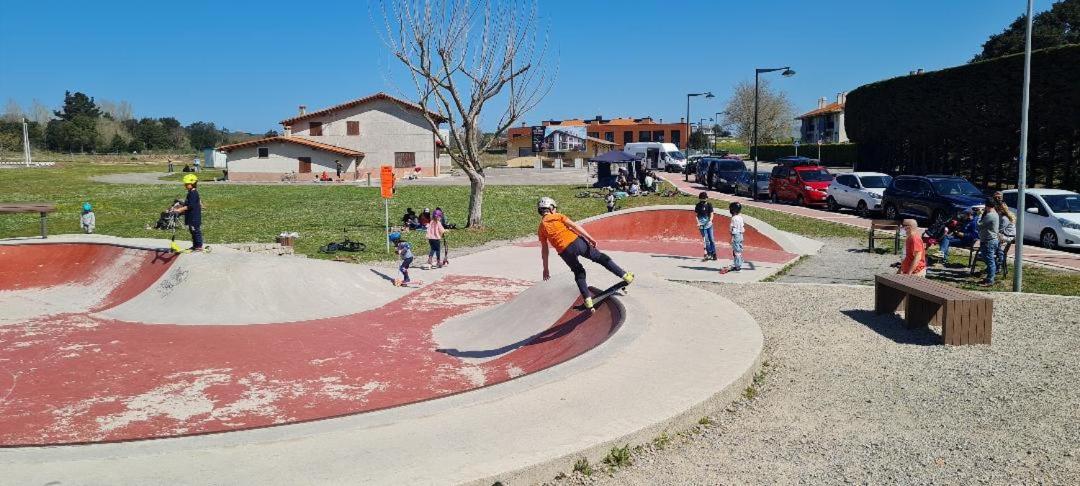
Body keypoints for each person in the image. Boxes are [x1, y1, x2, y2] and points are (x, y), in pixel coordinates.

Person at [537, 197, 633, 311]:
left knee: (579, 272)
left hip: (564, 252)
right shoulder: (558, 216)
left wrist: (546, 268)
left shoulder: (541, 228)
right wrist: (590, 238)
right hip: (576, 242)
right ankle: (625, 275)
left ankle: (587, 299)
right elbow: (575, 226)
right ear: (552, 208)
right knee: (600, 257)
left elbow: (544, 249)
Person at [174, 173, 204, 251]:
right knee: (192, 231)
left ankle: (199, 246)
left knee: (195, 231)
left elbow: (191, 206)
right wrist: (180, 204)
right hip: (191, 216)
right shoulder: (191, 192)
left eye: (187, 184)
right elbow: (192, 202)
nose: (185, 185)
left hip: (194, 216)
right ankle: (195, 245)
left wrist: (180, 210)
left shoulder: (193, 193)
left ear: (192, 184)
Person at [977, 200, 1001, 286]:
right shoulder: (995, 214)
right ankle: (989, 276)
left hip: (989, 241)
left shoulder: (990, 215)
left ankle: (990, 280)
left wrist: (979, 215)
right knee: (987, 259)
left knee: (990, 260)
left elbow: (979, 225)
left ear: (987, 206)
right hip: (989, 240)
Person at [719, 202, 745, 273]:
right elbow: (742, 227)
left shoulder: (734, 218)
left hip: (735, 235)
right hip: (741, 235)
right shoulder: (740, 217)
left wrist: (731, 237)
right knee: (738, 250)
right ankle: (738, 263)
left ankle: (738, 266)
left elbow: (732, 228)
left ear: (733, 210)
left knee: (736, 251)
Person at [694, 192, 716, 261]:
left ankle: (714, 253)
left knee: (711, 239)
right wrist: (698, 223)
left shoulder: (709, 205)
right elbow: (696, 216)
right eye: (702, 199)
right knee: (706, 240)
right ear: (700, 199)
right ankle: (709, 253)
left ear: (706, 198)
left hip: (709, 225)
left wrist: (710, 220)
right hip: (702, 225)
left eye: (705, 198)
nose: (703, 200)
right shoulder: (698, 205)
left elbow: (712, 214)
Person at [995, 200, 1016, 267]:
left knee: (992, 242)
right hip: (1005, 235)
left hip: (1007, 237)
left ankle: (999, 263)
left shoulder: (1004, 218)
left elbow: (1000, 230)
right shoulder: (1002, 216)